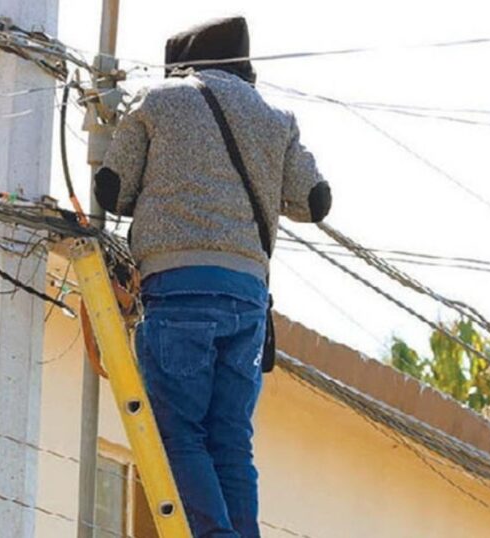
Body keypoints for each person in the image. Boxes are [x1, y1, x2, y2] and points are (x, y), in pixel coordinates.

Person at [93, 16, 331, 538]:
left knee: (180, 433)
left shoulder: (158, 102)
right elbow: (315, 201)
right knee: (229, 439)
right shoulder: (277, 119)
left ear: (178, 66)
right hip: (247, 299)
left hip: (178, 289)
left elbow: (111, 190)